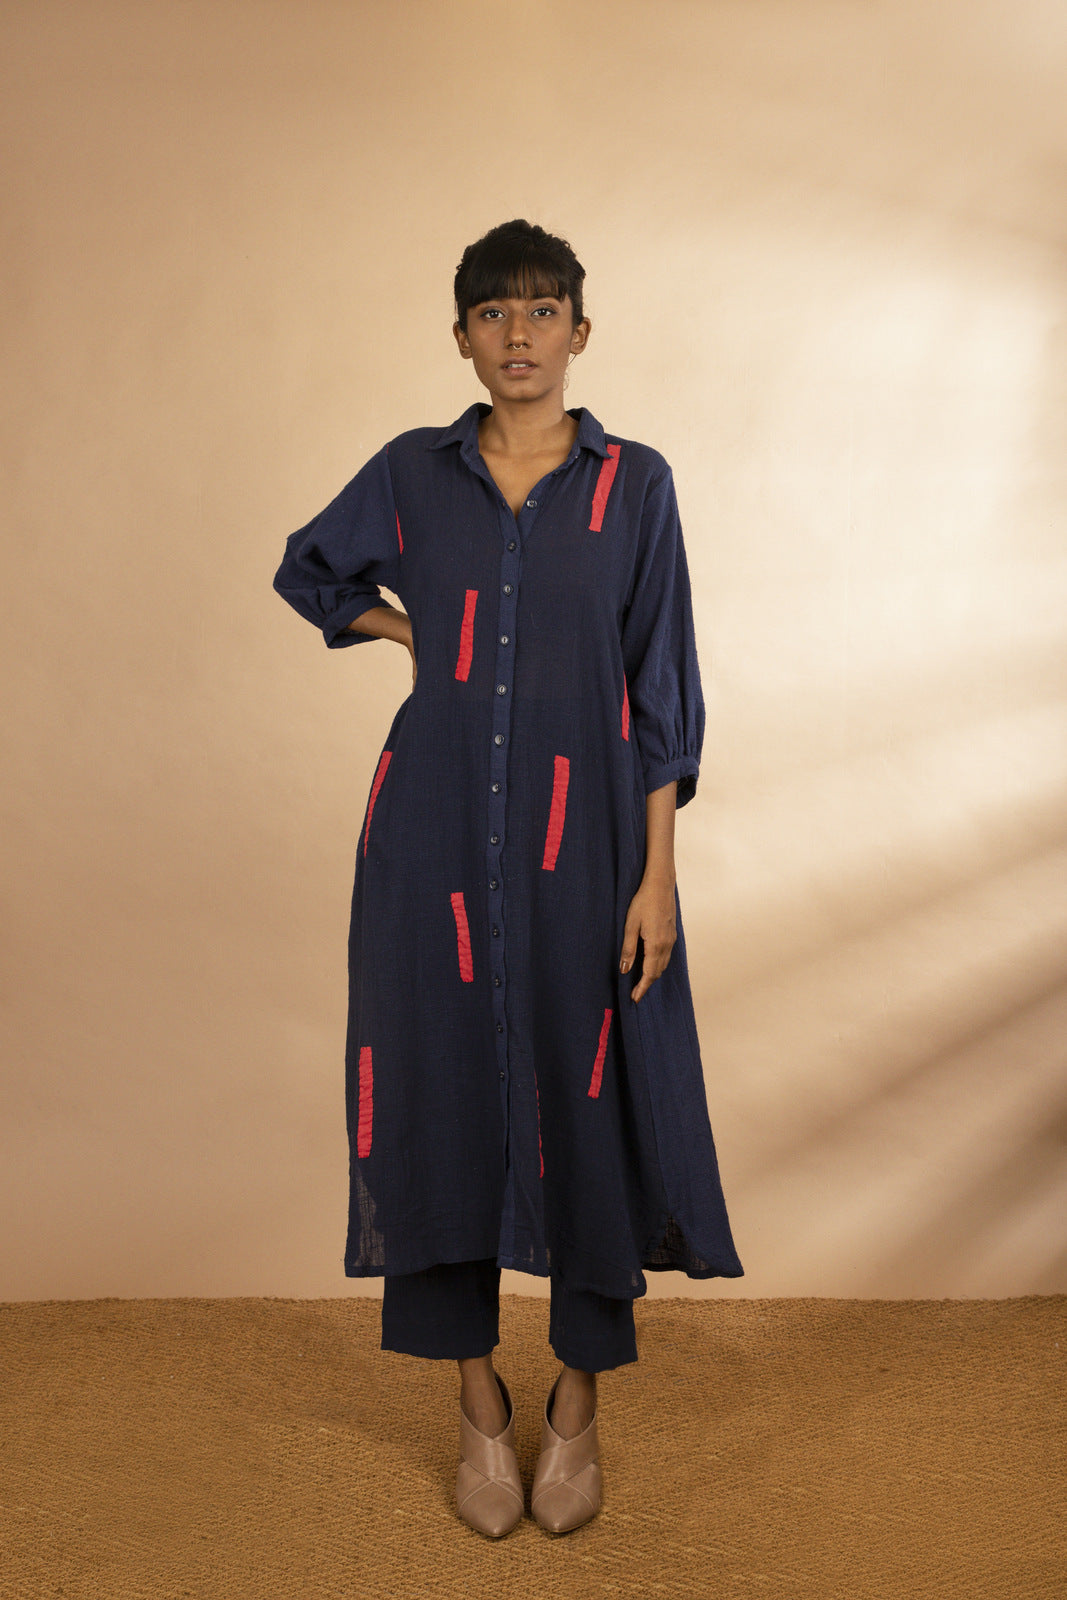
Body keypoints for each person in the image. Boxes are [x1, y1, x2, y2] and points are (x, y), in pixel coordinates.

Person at [273, 219, 743, 1538]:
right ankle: (478, 1403)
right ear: (463, 337)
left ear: (579, 333)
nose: (519, 334)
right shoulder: (411, 477)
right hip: (429, 840)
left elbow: (661, 692)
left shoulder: (634, 486)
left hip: (588, 847)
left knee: (588, 1097)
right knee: (436, 1095)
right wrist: (411, 628)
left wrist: (658, 877)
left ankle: (575, 1405)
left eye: (542, 311)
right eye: (494, 313)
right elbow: (309, 568)